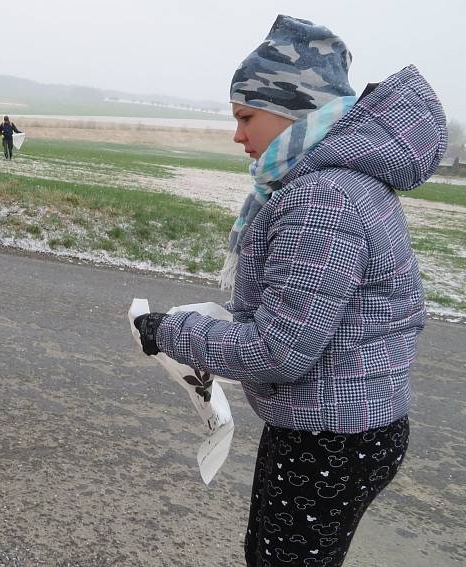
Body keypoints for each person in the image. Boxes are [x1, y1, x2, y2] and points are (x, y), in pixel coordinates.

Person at [133, 14, 447, 567]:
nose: (238, 135)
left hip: (328, 436)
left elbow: (280, 350)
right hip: (358, 424)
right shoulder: (343, 182)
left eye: (246, 116)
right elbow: (302, 311)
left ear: (293, 111)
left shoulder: (320, 201)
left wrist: (172, 332)